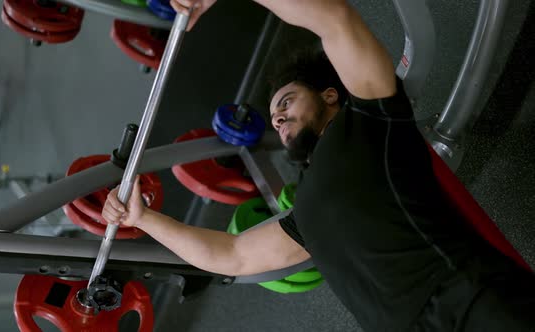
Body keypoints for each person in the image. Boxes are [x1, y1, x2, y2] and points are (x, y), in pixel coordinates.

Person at [102, 1, 535, 331]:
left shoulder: (373, 119)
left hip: (470, 301)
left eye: (287, 102)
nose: (278, 119)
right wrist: (145, 219)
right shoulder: (303, 214)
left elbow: (335, 20)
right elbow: (231, 256)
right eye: (274, 115)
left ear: (330, 95)